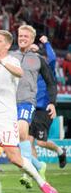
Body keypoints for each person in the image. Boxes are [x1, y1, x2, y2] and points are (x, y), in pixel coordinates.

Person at [0, 30, 58, 193]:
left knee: (14, 158)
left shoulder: (12, 60)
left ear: (7, 45)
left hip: (5, 116)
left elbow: (20, 73)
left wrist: (0, 59)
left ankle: (42, 182)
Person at [11, 25, 57, 189]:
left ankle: (31, 175)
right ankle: (38, 165)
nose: (22, 38)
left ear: (31, 40)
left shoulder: (38, 60)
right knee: (10, 146)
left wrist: (52, 101)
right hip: (8, 104)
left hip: (27, 102)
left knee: (25, 135)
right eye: (20, 35)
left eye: (26, 36)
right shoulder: (10, 56)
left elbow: (51, 82)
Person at [29, 36, 66, 176]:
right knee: (29, 142)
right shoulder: (29, 72)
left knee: (41, 143)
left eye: (34, 51)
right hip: (31, 109)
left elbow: (52, 58)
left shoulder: (47, 68)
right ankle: (37, 171)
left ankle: (60, 151)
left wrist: (46, 43)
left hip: (45, 109)